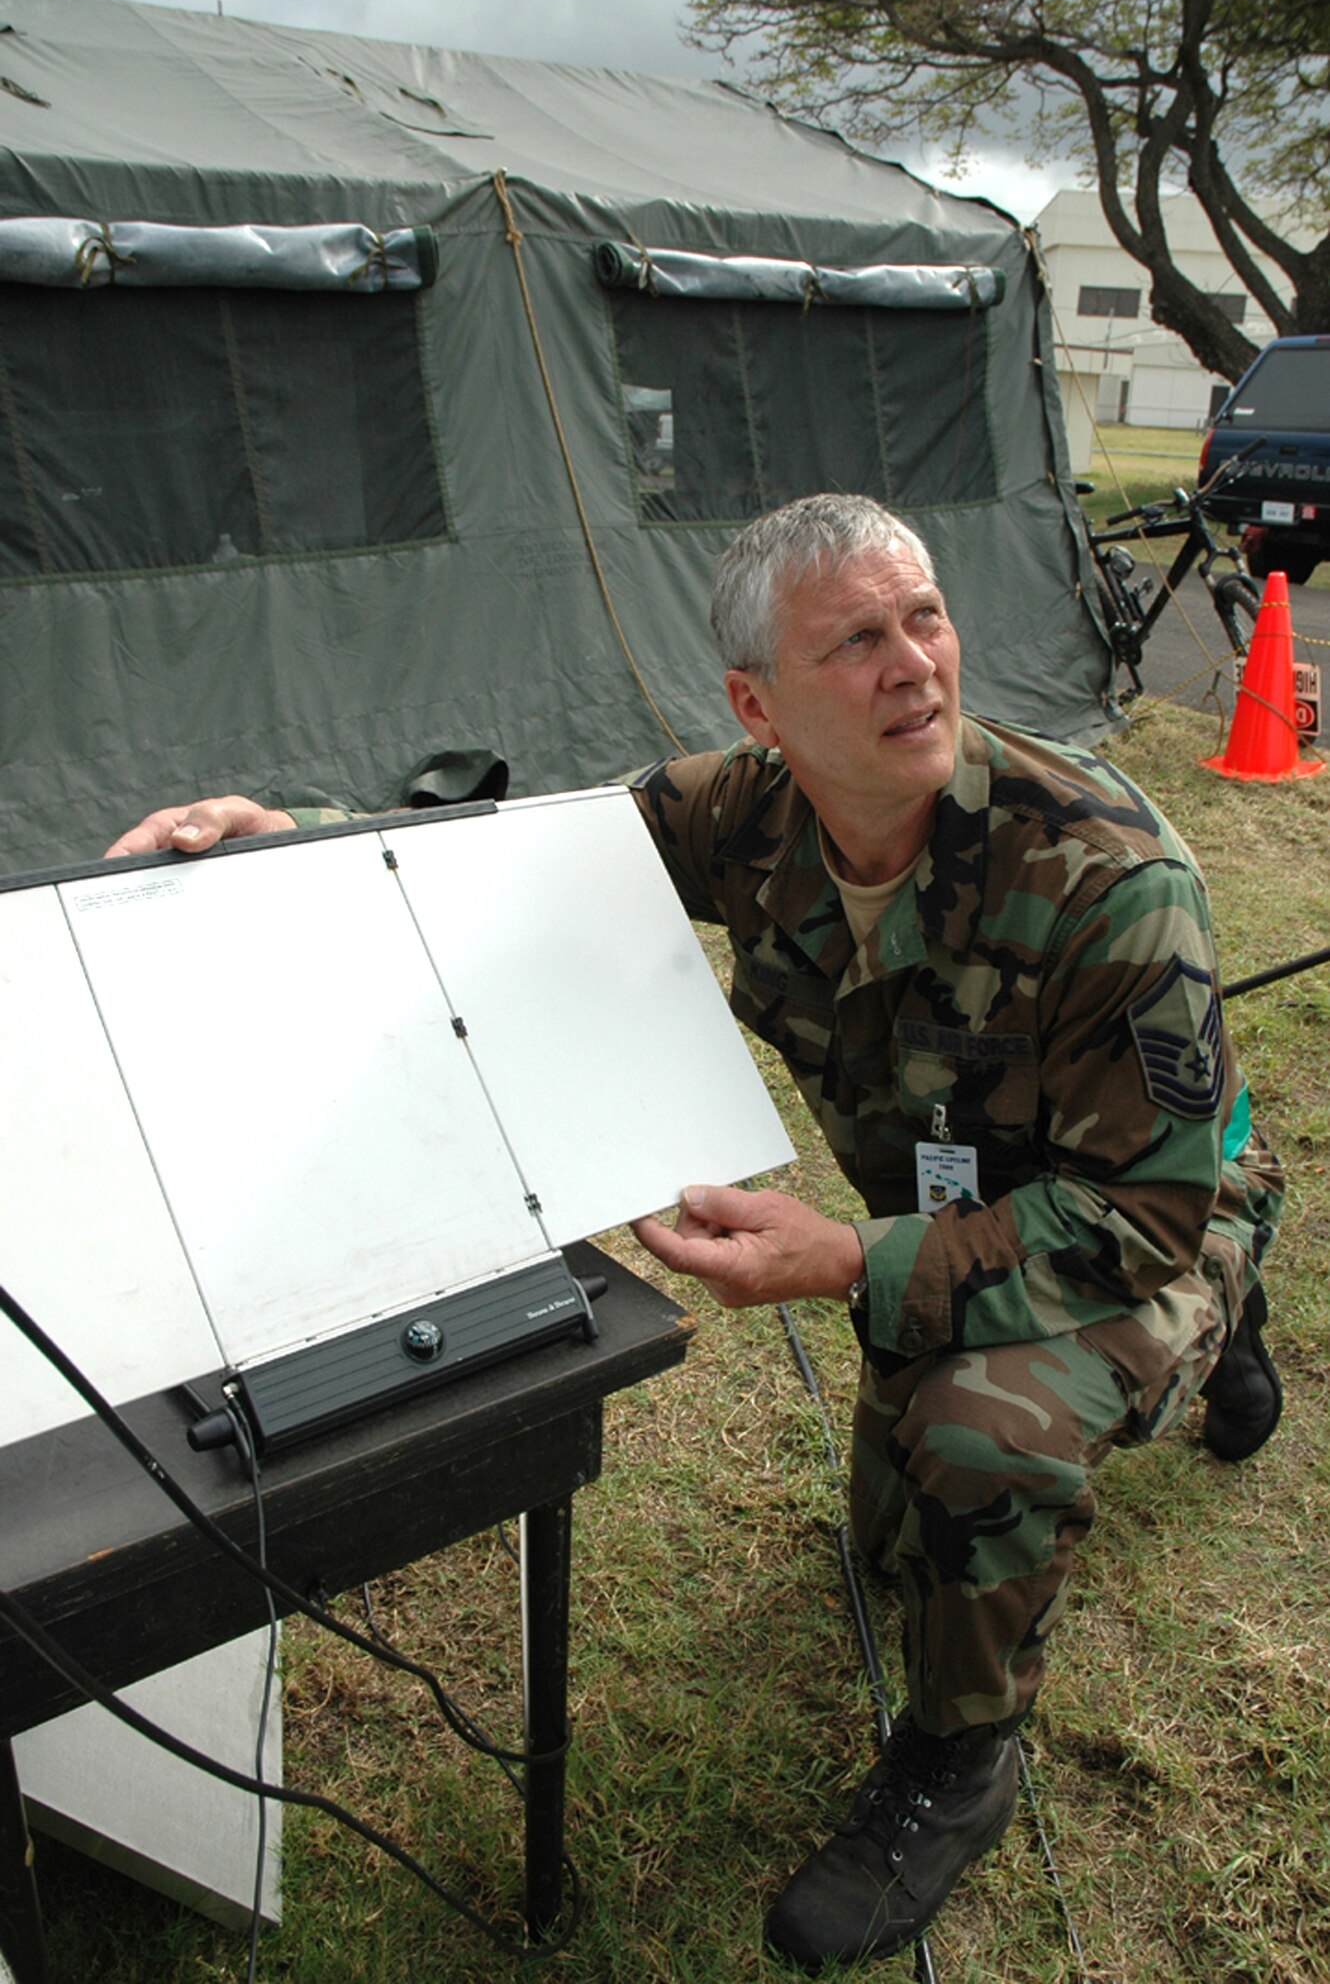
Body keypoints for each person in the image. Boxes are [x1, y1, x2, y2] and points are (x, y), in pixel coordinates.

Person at [107, 494, 1284, 1972]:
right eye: (854, 640)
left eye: (922, 616)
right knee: (890, 1534)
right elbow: (500, 868)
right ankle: (1119, 1393)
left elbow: (1140, 1214)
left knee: (977, 1439)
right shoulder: (739, 808)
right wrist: (294, 838)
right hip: (966, 1204)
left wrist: (850, 1262)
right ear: (756, 704)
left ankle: (957, 1756)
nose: (912, 663)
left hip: (1153, 1209)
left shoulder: (1107, 872)